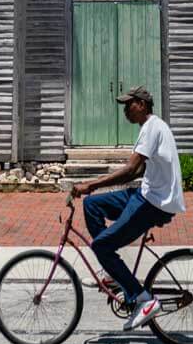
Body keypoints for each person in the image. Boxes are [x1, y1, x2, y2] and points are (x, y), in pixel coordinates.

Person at [72, 85, 186, 331]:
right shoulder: (151, 127)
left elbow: (131, 170)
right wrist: (95, 191)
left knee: (101, 245)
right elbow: (144, 170)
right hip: (146, 193)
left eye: (129, 104)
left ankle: (143, 299)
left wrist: (90, 184)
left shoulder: (152, 128)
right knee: (92, 206)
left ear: (142, 105)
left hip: (154, 202)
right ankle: (113, 271)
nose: (125, 110)